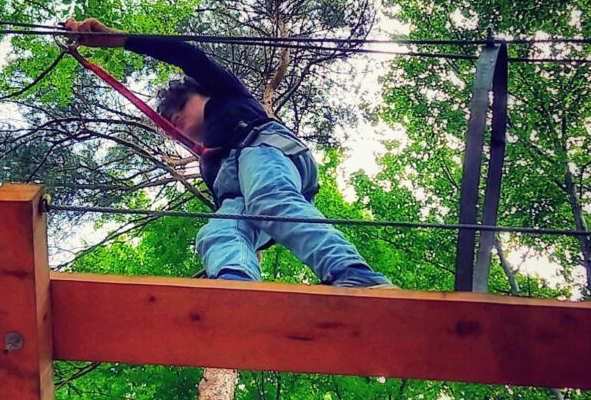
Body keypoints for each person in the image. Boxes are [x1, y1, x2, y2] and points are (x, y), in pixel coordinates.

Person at [64, 18, 393, 288]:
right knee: (219, 230)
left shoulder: (228, 96)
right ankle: (234, 286)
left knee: (268, 199)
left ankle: (352, 274)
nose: (172, 117)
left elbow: (187, 55)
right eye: (166, 119)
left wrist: (120, 39)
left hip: (267, 150)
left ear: (201, 93)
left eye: (178, 105)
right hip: (242, 187)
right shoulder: (210, 160)